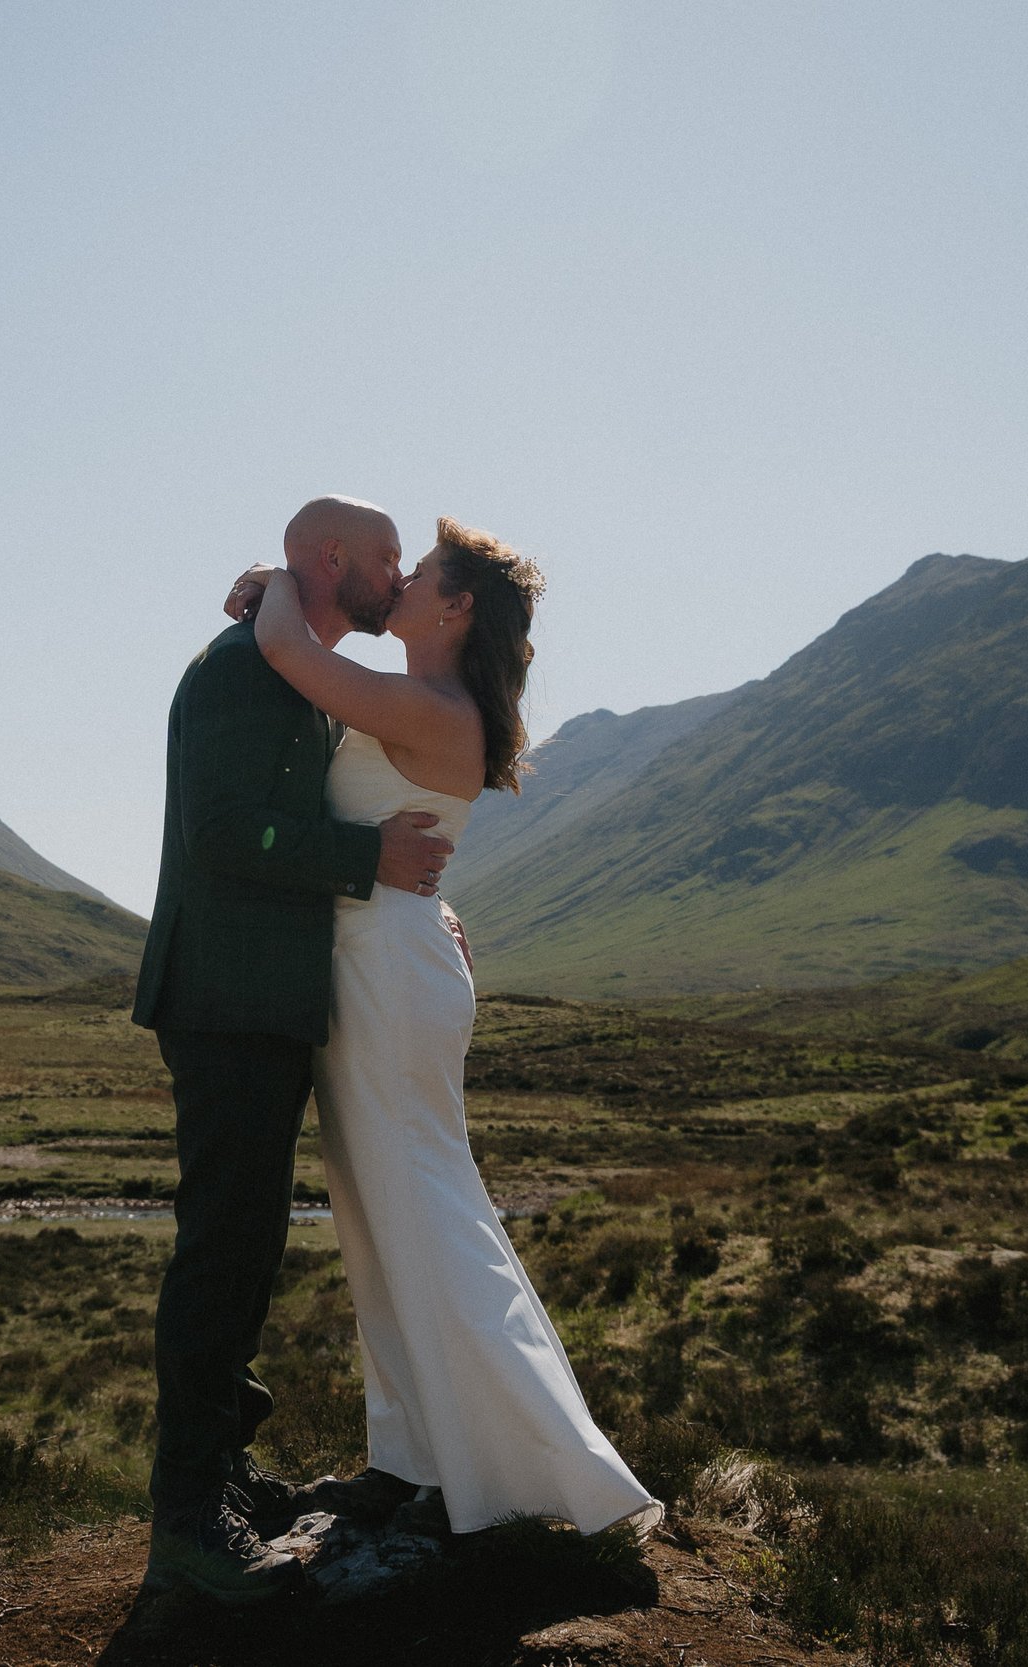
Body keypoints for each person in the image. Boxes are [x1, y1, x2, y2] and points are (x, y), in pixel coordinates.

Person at [224, 515, 663, 1544]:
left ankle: (532, 1470)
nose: (404, 581)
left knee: (418, 1205)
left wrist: (269, 577)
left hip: (384, 973)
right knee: (383, 1212)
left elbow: (287, 649)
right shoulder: (432, 701)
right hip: (377, 962)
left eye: (419, 572)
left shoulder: (430, 702)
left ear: (455, 605)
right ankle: (416, 1457)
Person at [132, 496, 456, 1605]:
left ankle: (217, 1468)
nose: (396, 574)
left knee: (244, 1238)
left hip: (260, 999)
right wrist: (370, 855)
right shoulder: (241, 669)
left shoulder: (291, 663)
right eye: (384, 559)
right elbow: (228, 832)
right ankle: (186, 1520)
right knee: (222, 1242)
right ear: (332, 558)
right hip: (222, 996)